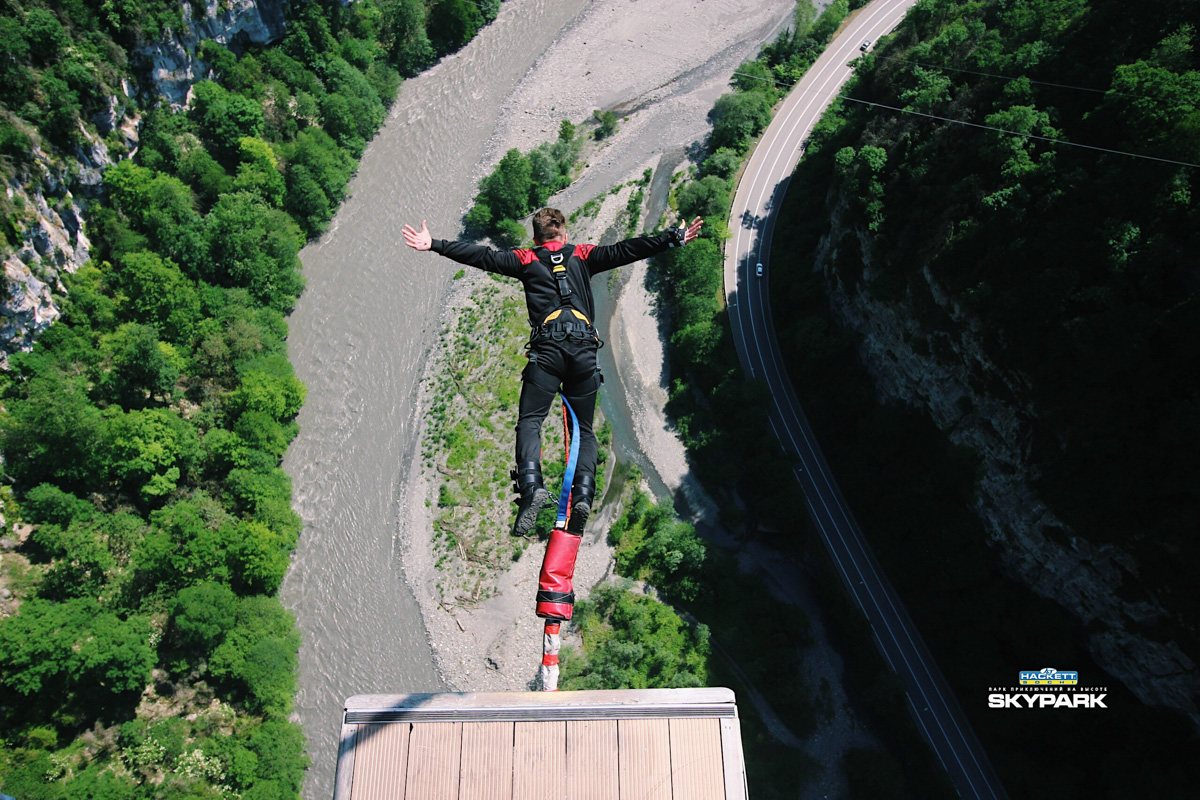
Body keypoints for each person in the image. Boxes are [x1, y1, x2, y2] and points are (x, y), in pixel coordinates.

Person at [403, 207, 703, 535]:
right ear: (565, 234)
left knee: (531, 422)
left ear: (535, 238)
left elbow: (483, 256)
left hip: (547, 352)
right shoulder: (583, 255)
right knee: (584, 431)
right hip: (584, 351)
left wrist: (434, 243)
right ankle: (584, 494)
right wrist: (671, 239)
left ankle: (533, 489)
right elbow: (626, 249)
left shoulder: (525, 259)